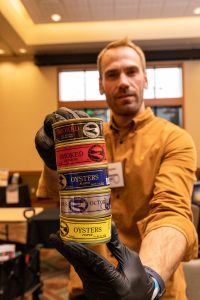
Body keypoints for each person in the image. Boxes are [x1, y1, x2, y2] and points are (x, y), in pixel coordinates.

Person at [35, 38, 198, 300]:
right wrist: (54, 163)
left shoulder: (174, 139)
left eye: (131, 71)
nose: (123, 81)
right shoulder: (87, 140)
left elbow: (172, 211)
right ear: (101, 84)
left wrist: (147, 280)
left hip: (153, 289)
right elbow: (59, 196)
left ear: (145, 79)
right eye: (112, 74)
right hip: (88, 285)